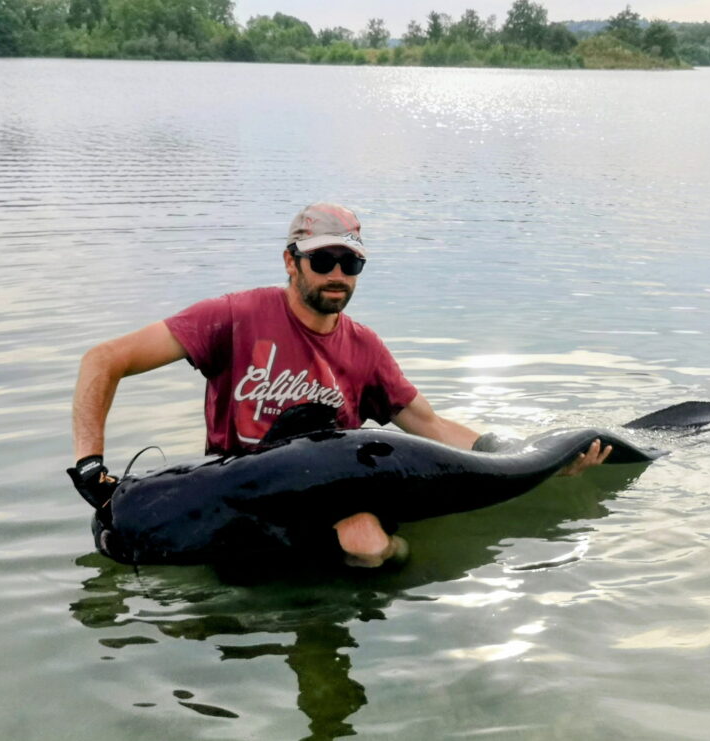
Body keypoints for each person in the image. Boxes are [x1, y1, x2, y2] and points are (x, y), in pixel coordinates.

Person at [68, 203, 611, 567]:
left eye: (350, 262)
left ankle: (408, 564)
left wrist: (528, 457)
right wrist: (90, 465)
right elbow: (104, 359)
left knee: (366, 547)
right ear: (291, 261)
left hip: (337, 491)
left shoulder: (364, 347)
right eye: (323, 260)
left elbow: (430, 425)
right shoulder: (231, 317)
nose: (337, 273)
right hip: (238, 488)